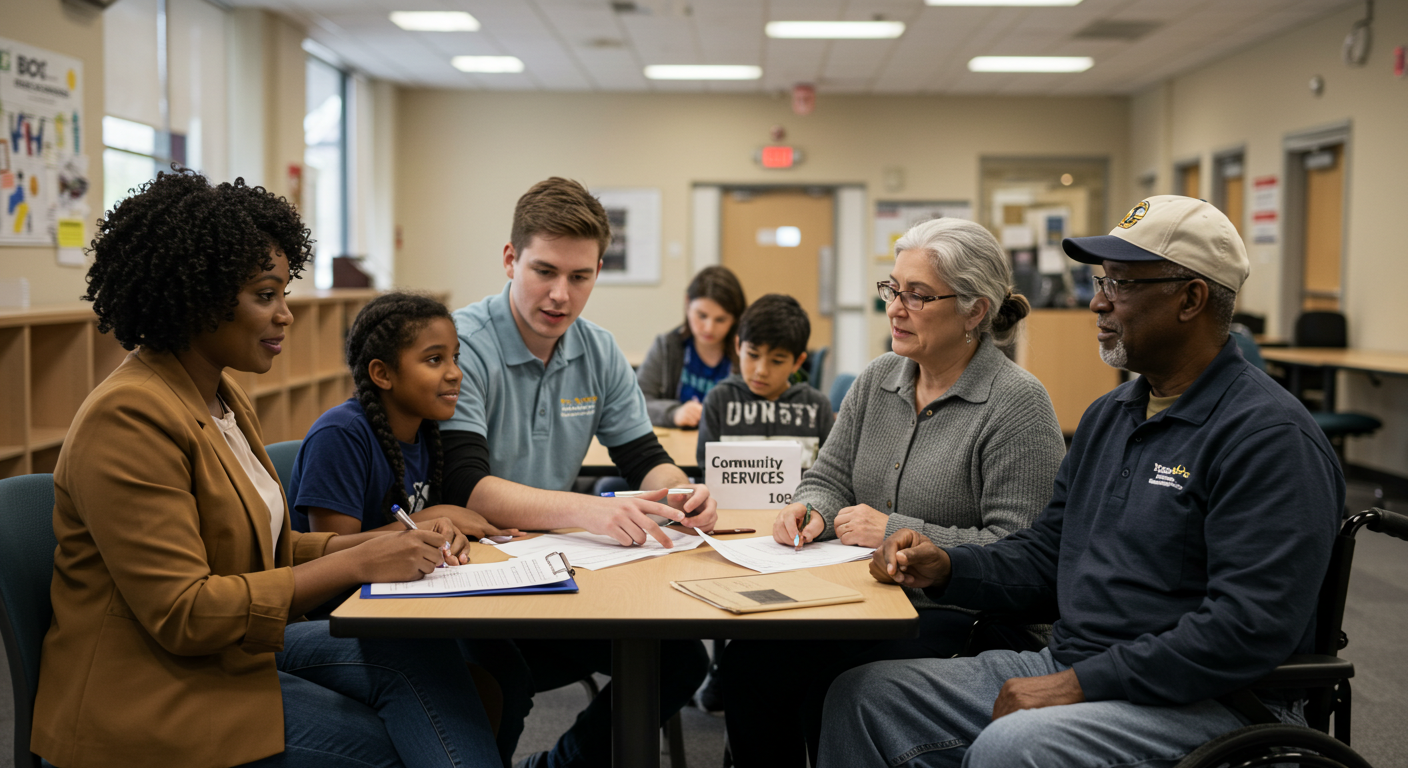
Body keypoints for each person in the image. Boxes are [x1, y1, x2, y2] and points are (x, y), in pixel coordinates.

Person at [820, 195, 1344, 768]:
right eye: (1102, 280)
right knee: (865, 696)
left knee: (1013, 746)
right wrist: (948, 565)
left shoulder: (1268, 436)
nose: (1097, 302)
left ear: (1190, 299)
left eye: (1120, 285)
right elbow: (1049, 557)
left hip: (1213, 697)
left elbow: (1248, 628)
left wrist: (1079, 685)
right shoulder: (1110, 416)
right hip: (1079, 663)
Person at [30, 169, 500, 768]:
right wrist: (357, 558)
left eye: (283, 293)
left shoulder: (220, 398)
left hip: (222, 655)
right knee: (394, 745)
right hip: (151, 692)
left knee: (427, 659)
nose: (286, 314)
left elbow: (262, 554)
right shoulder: (128, 416)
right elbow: (185, 613)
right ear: (198, 295)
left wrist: (386, 543)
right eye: (264, 294)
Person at [721, 218, 1066, 767]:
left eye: (918, 295)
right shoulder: (879, 377)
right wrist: (811, 510)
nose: (896, 308)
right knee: (750, 664)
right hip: (863, 598)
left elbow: (1020, 557)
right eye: (893, 289)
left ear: (975, 311)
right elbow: (828, 477)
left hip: (970, 617)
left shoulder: (1016, 405)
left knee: (836, 681)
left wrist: (897, 530)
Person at [438, 176, 714, 768]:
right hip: (470, 582)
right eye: (545, 271)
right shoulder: (460, 345)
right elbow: (468, 485)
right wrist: (593, 509)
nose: (560, 295)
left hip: (554, 576)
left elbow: (641, 457)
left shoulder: (598, 349)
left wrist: (679, 492)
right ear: (510, 260)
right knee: (497, 682)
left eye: (580, 277)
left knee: (681, 658)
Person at [287, 291, 533, 766]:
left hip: (412, 605)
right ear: (382, 374)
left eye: (455, 357)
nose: (455, 372)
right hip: (335, 619)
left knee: (507, 670)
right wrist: (428, 520)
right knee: (466, 674)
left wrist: (449, 534)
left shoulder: (425, 433)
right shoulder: (341, 436)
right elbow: (333, 561)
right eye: (434, 359)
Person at [695, 293, 835, 468]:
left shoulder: (816, 407)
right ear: (738, 346)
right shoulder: (720, 400)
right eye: (753, 355)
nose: (761, 371)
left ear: (797, 362)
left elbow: (830, 474)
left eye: (777, 361)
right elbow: (705, 466)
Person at [637, 265, 747, 428]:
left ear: (735, 319)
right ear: (687, 303)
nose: (709, 328)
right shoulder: (667, 347)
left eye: (721, 319)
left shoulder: (748, 353)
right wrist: (674, 413)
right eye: (702, 316)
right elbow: (636, 401)